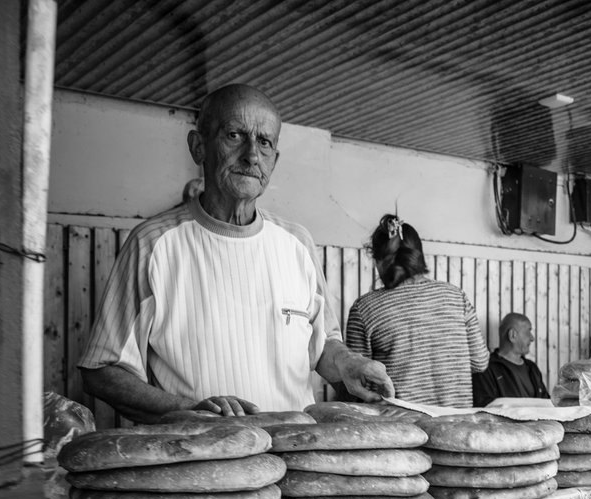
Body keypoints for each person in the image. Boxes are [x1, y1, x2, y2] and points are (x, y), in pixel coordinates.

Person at [79, 84, 393, 423]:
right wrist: (185, 408)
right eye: (234, 135)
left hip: (297, 449)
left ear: (274, 160)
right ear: (198, 147)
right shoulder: (153, 243)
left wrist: (348, 363)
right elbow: (102, 369)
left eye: (264, 142)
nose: (252, 155)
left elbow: (322, 346)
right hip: (200, 451)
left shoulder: (297, 243)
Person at [344, 215, 489, 407]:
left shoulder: (364, 309)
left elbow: (357, 381)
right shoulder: (456, 297)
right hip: (455, 422)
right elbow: (480, 362)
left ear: (378, 260)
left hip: (397, 424)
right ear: (418, 255)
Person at [472, 313, 550, 407]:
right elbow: (484, 408)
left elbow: (546, 403)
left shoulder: (532, 368)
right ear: (512, 335)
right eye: (528, 331)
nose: (532, 338)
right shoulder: (486, 368)